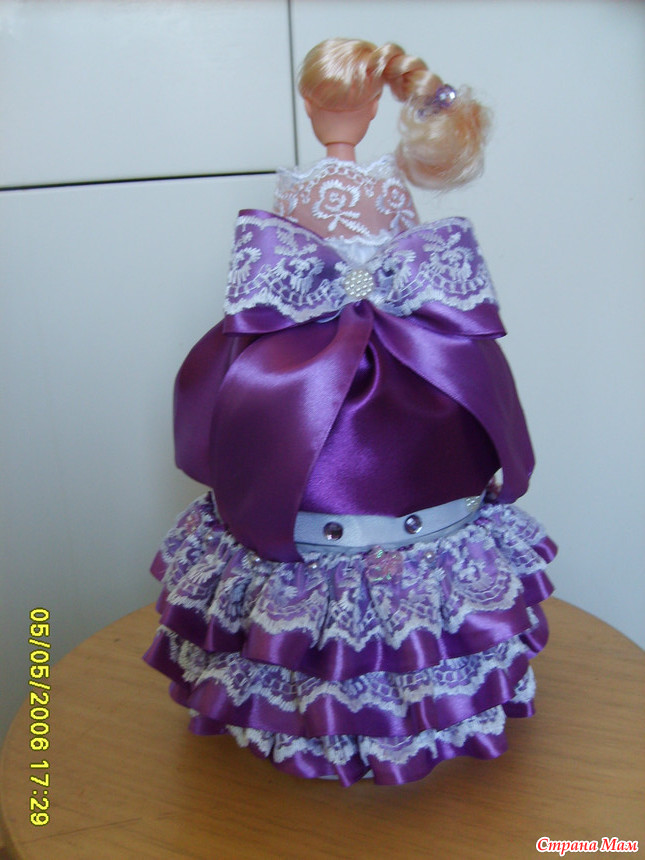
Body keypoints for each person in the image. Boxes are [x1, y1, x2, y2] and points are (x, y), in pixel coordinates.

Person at [144, 38, 556, 786]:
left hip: (308, 364)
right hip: (390, 359)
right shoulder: (383, 180)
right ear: (374, 105)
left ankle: (329, 702)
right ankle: (378, 702)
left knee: (285, 441)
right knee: (327, 465)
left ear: (318, 105)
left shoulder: (304, 184)